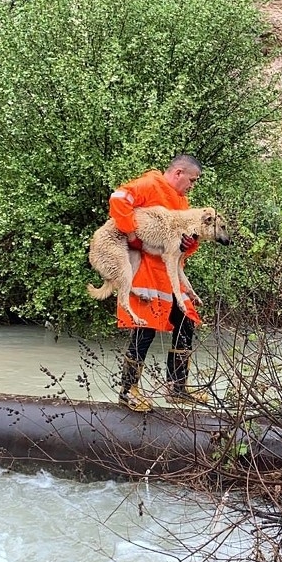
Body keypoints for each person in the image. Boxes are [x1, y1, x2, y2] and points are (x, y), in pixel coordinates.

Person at [108, 153, 210, 412]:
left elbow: (182, 246)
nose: (192, 186)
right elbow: (118, 198)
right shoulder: (150, 184)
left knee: (186, 322)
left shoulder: (182, 201)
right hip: (146, 274)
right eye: (192, 180)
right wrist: (131, 234)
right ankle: (128, 391)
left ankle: (177, 387)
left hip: (169, 276)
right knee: (145, 329)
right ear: (178, 173)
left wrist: (190, 243)